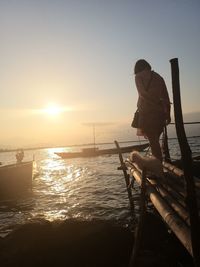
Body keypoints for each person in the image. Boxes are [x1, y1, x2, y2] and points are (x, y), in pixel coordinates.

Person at [134, 59, 171, 162]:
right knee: (155, 141)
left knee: (154, 143)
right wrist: (168, 114)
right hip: (160, 113)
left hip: (147, 113)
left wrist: (153, 104)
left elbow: (142, 94)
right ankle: (158, 166)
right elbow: (166, 97)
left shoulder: (138, 77)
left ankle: (158, 169)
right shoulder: (159, 77)